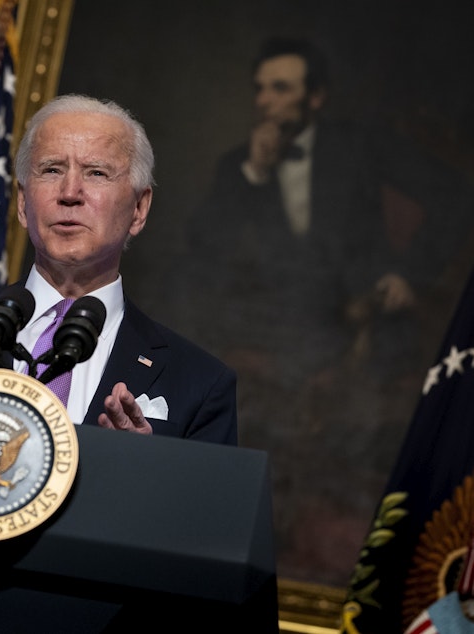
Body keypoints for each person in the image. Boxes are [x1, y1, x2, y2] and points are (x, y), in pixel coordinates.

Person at [188, 36, 474, 583]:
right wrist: (253, 174)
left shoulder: (361, 148)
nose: (265, 102)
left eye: (281, 89)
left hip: (364, 327)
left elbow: (454, 195)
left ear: (315, 97)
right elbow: (204, 253)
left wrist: (409, 275)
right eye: (260, 90)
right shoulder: (239, 166)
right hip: (278, 333)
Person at [0, 93, 238, 445]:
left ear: (139, 209)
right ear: (22, 204)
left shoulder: (200, 384)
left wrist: (142, 473)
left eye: (96, 173)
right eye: (51, 170)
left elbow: (206, 519)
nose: (69, 193)